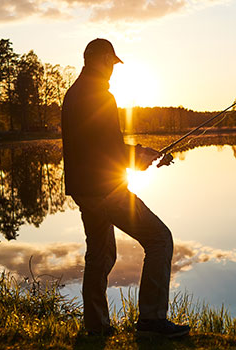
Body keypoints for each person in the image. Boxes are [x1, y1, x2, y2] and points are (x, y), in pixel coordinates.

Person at [61, 38, 190, 338]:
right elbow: (111, 151)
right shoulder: (99, 96)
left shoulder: (73, 94)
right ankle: (151, 322)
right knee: (160, 239)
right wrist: (141, 155)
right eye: (112, 63)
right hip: (106, 190)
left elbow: (100, 148)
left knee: (101, 254)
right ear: (102, 59)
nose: (113, 70)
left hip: (84, 190)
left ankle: (96, 325)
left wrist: (141, 155)